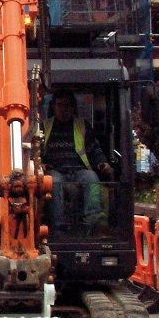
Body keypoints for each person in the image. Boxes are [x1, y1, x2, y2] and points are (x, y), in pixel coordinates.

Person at [42, 88, 113, 232]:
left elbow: (94, 148)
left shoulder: (82, 126)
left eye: (67, 105)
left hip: (78, 170)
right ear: (53, 107)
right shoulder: (44, 127)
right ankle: (58, 225)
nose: (64, 109)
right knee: (53, 182)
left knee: (91, 177)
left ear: (73, 107)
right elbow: (34, 151)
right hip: (55, 171)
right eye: (60, 105)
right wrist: (39, 164)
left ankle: (93, 220)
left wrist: (102, 162)